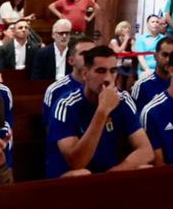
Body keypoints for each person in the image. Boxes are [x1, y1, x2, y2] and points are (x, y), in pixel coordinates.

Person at [47, 45, 153, 175]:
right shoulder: (66, 105)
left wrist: (113, 173)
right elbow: (77, 162)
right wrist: (102, 111)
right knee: (83, 173)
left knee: (145, 168)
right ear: (85, 74)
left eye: (113, 71)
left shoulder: (123, 99)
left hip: (108, 173)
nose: (108, 79)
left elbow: (146, 150)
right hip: (69, 177)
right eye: (101, 71)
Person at [134, 36, 173, 109]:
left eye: (172, 56)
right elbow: (136, 118)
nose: (168, 60)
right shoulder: (142, 86)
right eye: (165, 55)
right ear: (155, 56)